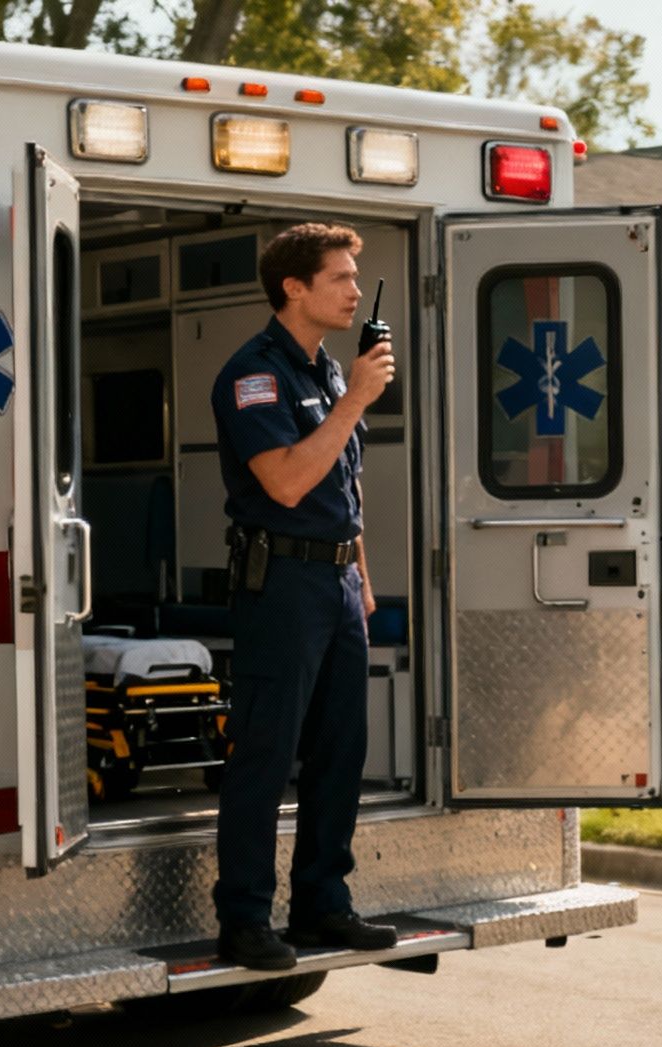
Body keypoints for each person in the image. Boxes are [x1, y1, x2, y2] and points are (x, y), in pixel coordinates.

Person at [210, 222, 399, 970]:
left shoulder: (326, 372)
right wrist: (355, 399)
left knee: (339, 752)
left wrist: (362, 575)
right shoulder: (253, 375)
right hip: (281, 584)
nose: (355, 289)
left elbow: (343, 485)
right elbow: (286, 481)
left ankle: (323, 904)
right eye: (341, 277)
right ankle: (246, 919)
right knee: (267, 754)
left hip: (338, 584)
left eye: (356, 278)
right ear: (295, 287)